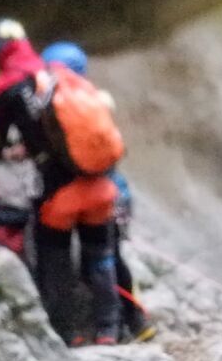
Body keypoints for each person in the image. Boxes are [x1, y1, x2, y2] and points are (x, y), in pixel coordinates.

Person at [0, 18, 121, 346]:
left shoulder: (5, 88)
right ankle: (109, 329)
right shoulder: (56, 75)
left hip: (59, 194)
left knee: (54, 259)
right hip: (99, 187)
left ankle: (70, 333)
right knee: (100, 256)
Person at [41, 41, 155, 343]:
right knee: (108, 258)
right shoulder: (95, 102)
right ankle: (128, 323)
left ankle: (74, 329)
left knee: (64, 257)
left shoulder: (57, 103)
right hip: (111, 191)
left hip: (71, 195)